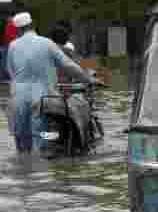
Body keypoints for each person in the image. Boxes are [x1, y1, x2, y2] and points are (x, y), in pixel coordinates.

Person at [6, 12, 100, 154]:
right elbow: (68, 66)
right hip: (41, 98)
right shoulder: (46, 43)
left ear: (18, 30)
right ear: (32, 25)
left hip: (18, 98)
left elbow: (11, 72)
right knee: (39, 139)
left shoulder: (12, 46)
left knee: (21, 141)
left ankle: (24, 166)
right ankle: (39, 165)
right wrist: (88, 79)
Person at [0, 16, 17, 83]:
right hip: (9, 44)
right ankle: (6, 77)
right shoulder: (11, 24)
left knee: (5, 61)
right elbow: (11, 35)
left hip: (6, 44)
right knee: (7, 61)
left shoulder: (7, 24)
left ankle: (4, 77)